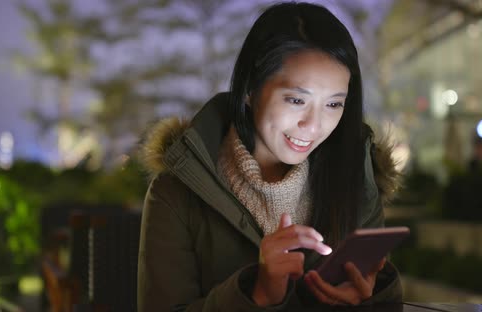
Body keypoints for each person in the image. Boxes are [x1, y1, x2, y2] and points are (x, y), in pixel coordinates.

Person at [137, 2, 402, 311]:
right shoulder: (177, 192)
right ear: (250, 88)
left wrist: (369, 297)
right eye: (296, 99)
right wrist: (256, 294)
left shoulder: (357, 180)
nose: (314, 125)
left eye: (333, 104)